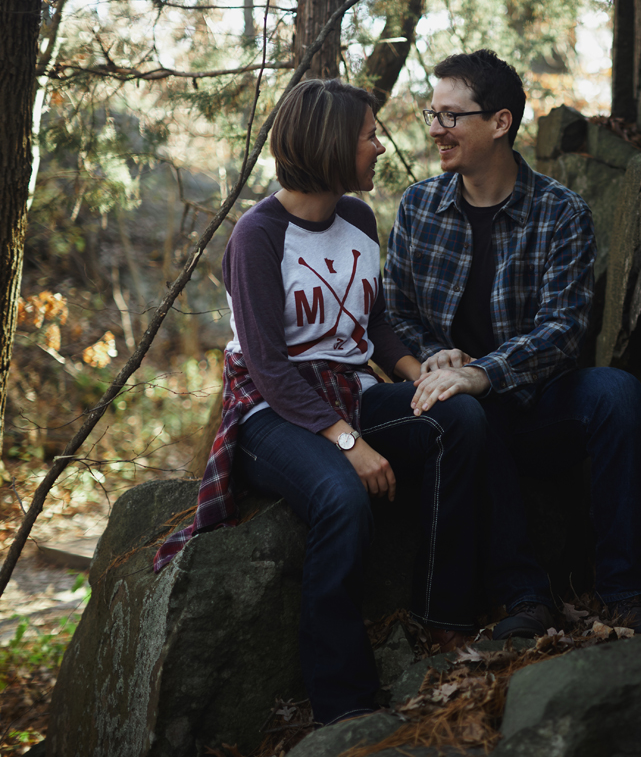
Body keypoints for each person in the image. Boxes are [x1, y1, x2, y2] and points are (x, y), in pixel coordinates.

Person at [154, 79, 486, 725]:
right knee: (340, 493)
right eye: (369, 137)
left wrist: (424, 379)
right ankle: (342, 702)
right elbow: (271, 369)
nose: (378, 148)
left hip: (351, 394)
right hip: (268, 413)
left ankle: (441, 616)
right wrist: (349, 444)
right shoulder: (257, 236)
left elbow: (377, 325)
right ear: (335, 146)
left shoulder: (360, 221)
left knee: (460, 418)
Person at [383, 50, 641, 637]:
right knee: (466, 414)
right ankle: (525, 600)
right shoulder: (419, 207)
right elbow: (396, 311)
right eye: (431, 114)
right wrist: (436, 354)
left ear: (500, 122)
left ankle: (626, 592)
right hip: (463, 415)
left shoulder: (562, 213)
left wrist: (483, 370)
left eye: (450, 117)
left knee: (619, 395)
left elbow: (564, 329)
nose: (435, 129)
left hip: (539, 404)